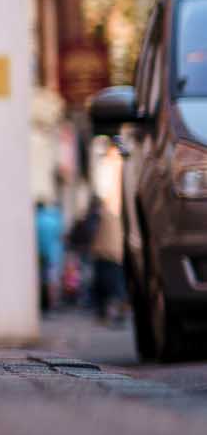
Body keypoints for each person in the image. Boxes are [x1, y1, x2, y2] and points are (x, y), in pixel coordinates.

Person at [90, 138, 128, 324]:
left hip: (111, 238)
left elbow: (104, 193)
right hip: (116, 239)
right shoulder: (121, 164)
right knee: (114, 276)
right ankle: (116, 310)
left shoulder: (111, 164)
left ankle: (110, 311)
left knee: (108, 276)